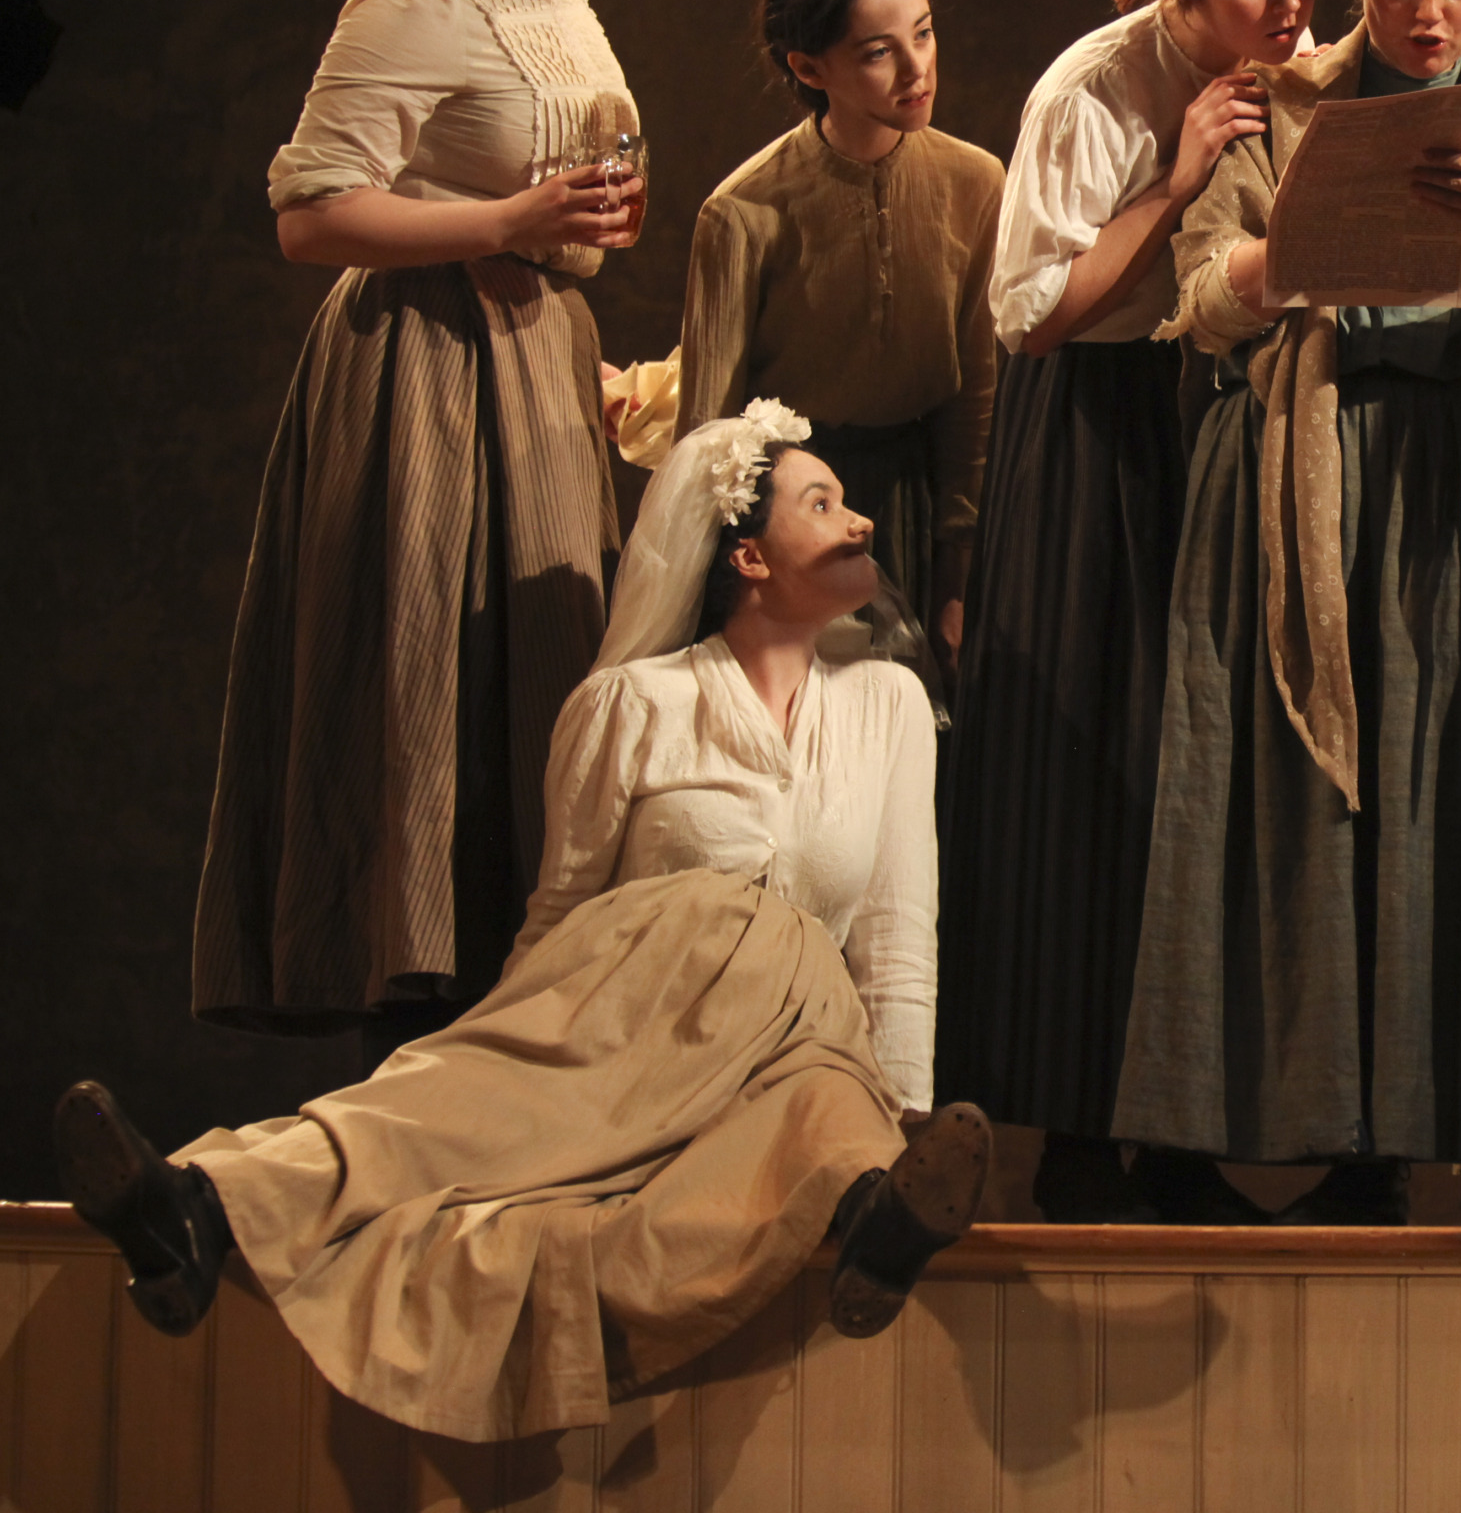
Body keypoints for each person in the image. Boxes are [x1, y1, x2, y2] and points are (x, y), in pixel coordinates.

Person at [56, 406, 990, 1442]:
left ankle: (875, 1213)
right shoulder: (630, 703)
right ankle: (193, 1208)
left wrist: (905, 1107)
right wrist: (511, 1039)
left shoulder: (888, 704)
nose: (861, 521)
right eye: (823, 503)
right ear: (748, 555)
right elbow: (563, 907)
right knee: (454, 1107)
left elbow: (897, 928)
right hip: (632, 994)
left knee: (826, 1103)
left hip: (798, 1022)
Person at [1111, 0, 1461, 1228]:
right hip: (1308, 461)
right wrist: (1293, 246)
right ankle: (1346, 1140)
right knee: (1314, 798)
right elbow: (1199, 307)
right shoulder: (1275, 104)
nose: (1428, 11)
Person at [193, 0, 652, 1065]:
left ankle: (516, 1047)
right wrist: (507, 218)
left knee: (543, 689)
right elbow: (312, 214)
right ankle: (415, 1033)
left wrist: (578, 231)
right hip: (427, 364)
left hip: (538, 345)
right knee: (430, 686)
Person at [939, 0, 1326, 1224]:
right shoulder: (1096, 86)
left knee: (1200, 770)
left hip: (1220, 409)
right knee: (1094, 766)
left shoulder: (1297, 65)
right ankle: (1078, 1131)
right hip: (1098, 429)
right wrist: (1175, 176)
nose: (1286, 6)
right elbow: (1031, 315)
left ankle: (1179, 1127)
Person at [661, 0, 1006, 676]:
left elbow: (975, 388)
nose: (917, 68)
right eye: (879, 52)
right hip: (795, 516)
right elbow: (710, 429)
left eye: (923, 33)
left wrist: (961, 563)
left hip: (919, 500)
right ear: (809, 67)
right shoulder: (745, 209)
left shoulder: (976, 182)